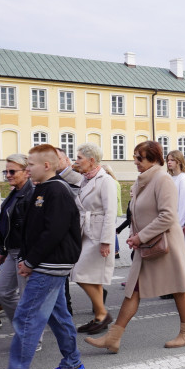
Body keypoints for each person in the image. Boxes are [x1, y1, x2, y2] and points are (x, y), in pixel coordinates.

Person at [0, 144, 85, 369]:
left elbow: (53, 232)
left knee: (27, 317)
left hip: (50, 264)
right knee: (57, 314)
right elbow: (32, 229)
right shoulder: (44, 189)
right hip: (46, 262)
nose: (27, 168)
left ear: (46, 166)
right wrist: (26, 257)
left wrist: (30, 261)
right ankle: (72, 364)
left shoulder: (56, 191)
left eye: (30, 164)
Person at [86, 141, 185, 352]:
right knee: (133, 289)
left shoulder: (162, 179)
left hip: (165, 244)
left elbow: (168, 215)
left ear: (154, 159)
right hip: (146, 244)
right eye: (135, 157)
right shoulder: (142, 180)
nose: (135, 162)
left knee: (178, 288)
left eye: (140, 158)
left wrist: (140, 236)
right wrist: (136, 234)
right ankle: (113, 338)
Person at [62, 144, 118, 335]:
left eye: (79, 158)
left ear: (92, 160)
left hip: (98, 233)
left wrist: (106, 241)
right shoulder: (86, 179)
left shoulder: (106, 181)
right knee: (92, 277)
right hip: (86, 232)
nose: (76, 161)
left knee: (79, 272)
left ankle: (102, 313)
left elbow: (111, 213)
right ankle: (99, 317)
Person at [0, 154, 35, 320]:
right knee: (2, 292)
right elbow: (5, 222)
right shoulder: (14, 193)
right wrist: (2, 249)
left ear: (27, 172)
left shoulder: (31, 193)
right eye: (6, 171)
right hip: (11, 251)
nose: (8, 175)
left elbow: (33, 230)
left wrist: (27, 258)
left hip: (23, 252)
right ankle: (22, 329)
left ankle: (31, 339)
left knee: (27, 298)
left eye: (12, 171)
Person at [166, 150, 185, 228]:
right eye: (168, 160)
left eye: (172, 160)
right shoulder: (170, 177)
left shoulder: (183, 179)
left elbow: (184, 204)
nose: (169, 162)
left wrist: (180, 225)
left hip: (178, 222)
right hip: (168, 219)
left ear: (179, 161)